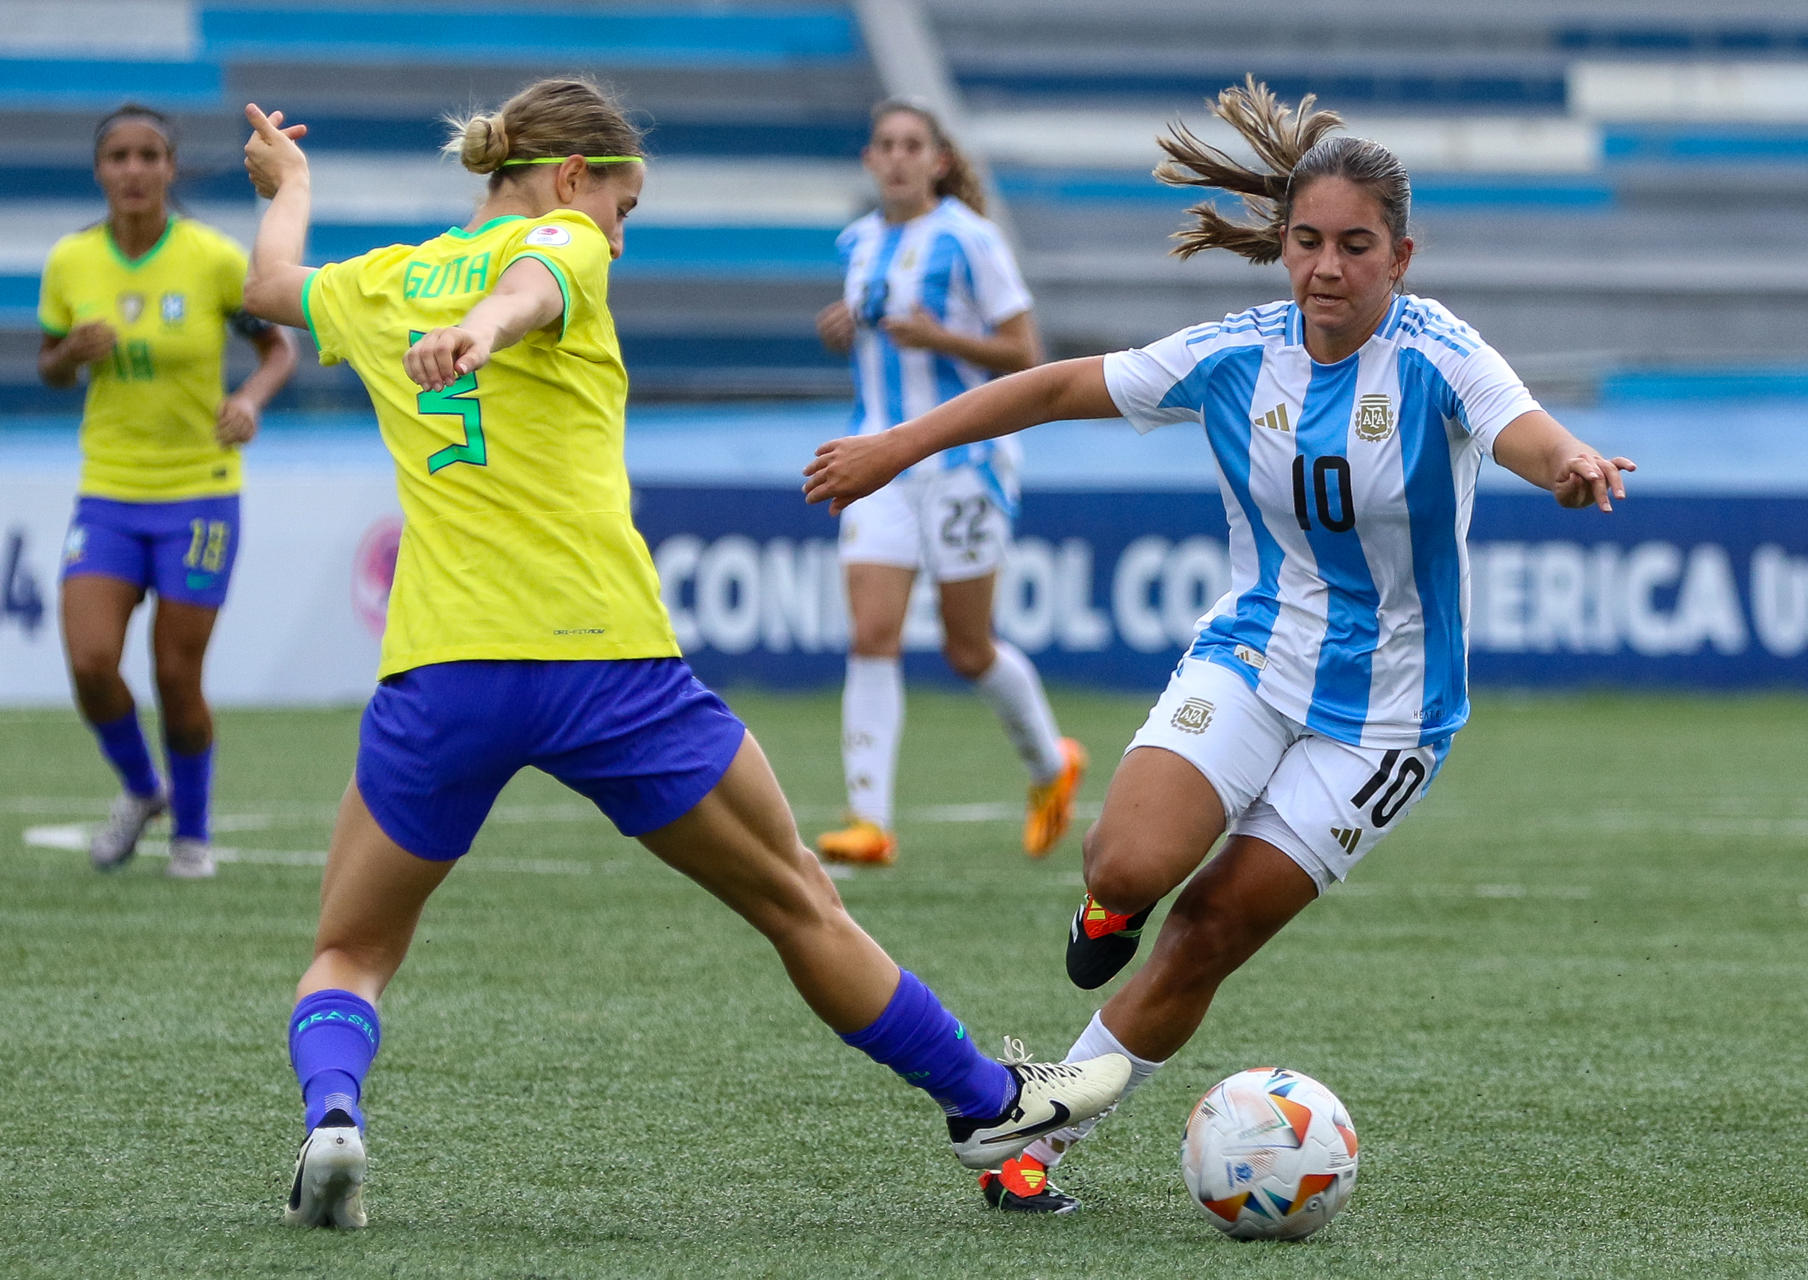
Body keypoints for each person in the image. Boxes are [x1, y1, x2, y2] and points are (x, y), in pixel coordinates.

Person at [236, 78, 1127, 1231]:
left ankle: (336, 1116)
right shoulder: (559, 236)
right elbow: (533, 283)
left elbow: (267, 287)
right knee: (800, 900)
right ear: (570, 177)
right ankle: (984, 1104)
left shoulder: (386, 280)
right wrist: (486, 327)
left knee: (349, 947)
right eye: (626, 203)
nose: (621, 229)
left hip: (443, 671)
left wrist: (292, 188)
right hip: (607, 664)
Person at [804, 78, 1636, 1214]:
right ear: (1282, 247)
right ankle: (1105, 908)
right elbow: (1052, 386)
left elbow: (1525, 431)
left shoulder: (1442, 354)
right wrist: (894, 446)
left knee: (1205, 931)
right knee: (1127, 866)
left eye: (1355, 246)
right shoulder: (1239, 352)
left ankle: (1036, 1131)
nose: (1326, 269)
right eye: (1306, 243)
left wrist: (1573, 463)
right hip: (1253, 653)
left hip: (1388, 713)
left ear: (1402, 254)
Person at [812, 98, 1084, 868]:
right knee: (871, 633)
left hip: (964, 463)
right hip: (880, 462)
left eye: (912, 145)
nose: (896, 157)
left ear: (937, 160)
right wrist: (843, 327)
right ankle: (869, 821)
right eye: (885, 145)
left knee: (968, 649)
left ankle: (1049, 763)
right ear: (869, 160)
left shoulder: (970, 238)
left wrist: (939, 337)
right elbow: (880, 343)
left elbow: (1026, 352)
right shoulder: (859, 243)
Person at [36, 103, 298, 880]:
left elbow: (278, 351)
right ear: (100, 170)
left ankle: (194, 830)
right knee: (89, 663)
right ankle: (143, 788)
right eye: (118, 155)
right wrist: (70, 357)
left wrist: (248, 401)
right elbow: (47, 367)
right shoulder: (71, 262)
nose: (134, 170)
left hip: (198, 493)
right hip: (109, 492)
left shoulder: (214, 260)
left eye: (149, 155)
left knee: (177, 677)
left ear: (170, 169)